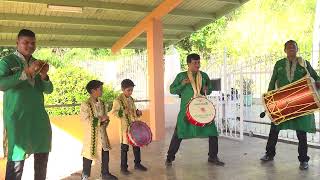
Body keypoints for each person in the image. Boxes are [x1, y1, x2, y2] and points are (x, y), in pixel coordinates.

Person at [1, 29, 53, 180]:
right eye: (25, 42)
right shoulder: (7, 62)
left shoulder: (37, 63)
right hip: (17, 118)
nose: (30, 46)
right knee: (16, 160)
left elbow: (48, 90)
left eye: (33, 43)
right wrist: (27, 72)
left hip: (38, 118)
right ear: (17, 43)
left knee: (42, 157)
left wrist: (44, 75)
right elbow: (1, 84)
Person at [260, 40, 320, 170]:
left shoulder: (304, 63)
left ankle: (303, 160)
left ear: (297, 49)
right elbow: (272, 81)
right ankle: (269, 154)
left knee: (301, 132)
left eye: (294, 46)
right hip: (282, 103)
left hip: (300, 103)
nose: (291, 48)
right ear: (285, 50)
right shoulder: (279, 64)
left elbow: (316, 77)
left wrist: (317, 84)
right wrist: (269, 99)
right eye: (288, 47)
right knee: (274, 129)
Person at [165, 53, 224, 166]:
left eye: (198, 62)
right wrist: (182, 84)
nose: (197, 65)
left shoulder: (204, 75)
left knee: (212, 132)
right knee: (178, 133)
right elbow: (172, 90)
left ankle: (213, 157)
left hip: (201, 109)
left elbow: (209, 89)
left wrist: (207, 89)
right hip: (186, 111)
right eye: (195, 63)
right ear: (188, 64)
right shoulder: (181, 76)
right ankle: (170, 157)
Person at [108, 79, 147, 175]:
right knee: (124, 148)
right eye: (128, 90)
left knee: (136, 145)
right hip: (124, 127)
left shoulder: (131, 99)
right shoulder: (118, 100)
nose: (130, 92)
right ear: (122, 89)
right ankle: (123, 168)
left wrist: (138, 113)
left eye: (131, 90)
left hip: (134, 126)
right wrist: (122, 112)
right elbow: (113, 113)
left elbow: (133, 111)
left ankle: (137, 164)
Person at [80, 80, 117, 180]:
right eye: (100, 89)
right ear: (93, 90)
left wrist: (106, 121)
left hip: (102, 133)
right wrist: (101, 119)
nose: (102, 91)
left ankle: (105, 173)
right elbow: (85, 120)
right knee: (89, 155)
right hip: (91, 135)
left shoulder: (103, 103)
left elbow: (106, 117)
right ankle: (85, 175)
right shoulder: (85, 104)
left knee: (105, 153)